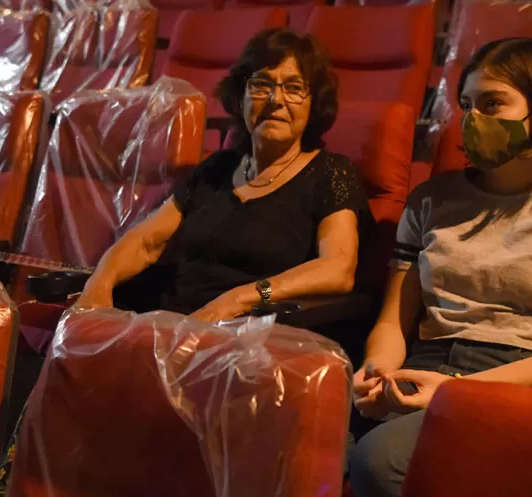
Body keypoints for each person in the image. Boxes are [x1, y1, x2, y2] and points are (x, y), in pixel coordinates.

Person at [348, 37, 532, 497]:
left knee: (380, 460)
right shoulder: (430, 199)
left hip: (513, 381)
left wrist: (454, 393)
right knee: (301, 437)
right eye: (468, 105)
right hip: (421, 368)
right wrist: (376, 371)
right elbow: (393, 320)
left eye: (493, 103)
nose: (474, 119)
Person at [75, 28, 368, 322]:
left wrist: (242, 297)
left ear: (313, 104)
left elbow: (337, 269)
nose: (275, 99)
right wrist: (98, 285)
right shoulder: (216, 169)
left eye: (293, 88)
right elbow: (145, 242)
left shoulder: (330, 173)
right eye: (261, 85)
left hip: (250, 334)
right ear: (240, 98)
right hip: (173, 320)